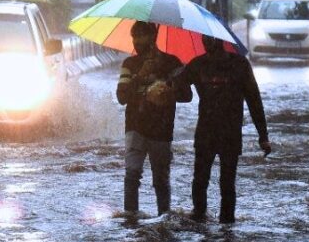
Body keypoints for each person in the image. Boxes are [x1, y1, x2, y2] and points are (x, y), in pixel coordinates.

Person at [176, 35, 272, 224]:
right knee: (200, 179)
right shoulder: (197, 64)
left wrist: (263, 136)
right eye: (205, 39)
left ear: (221, 40)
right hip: (205, 132)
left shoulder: (240, 64)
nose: (207, 42)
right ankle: (199, 217)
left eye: (211, 39)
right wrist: (175, 79)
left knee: (227, 183)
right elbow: (181, 91)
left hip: (230, 133)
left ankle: (227, 223)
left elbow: (254, 100)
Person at [116, 20, 192, 216]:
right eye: (134, 37)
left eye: (141, 36)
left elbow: (187, 95)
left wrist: (168, 91)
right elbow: (122, 97)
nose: (136, 41)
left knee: (161, 179)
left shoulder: (172, 63)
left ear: (152, 38)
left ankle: (164, 218)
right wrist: (140, 76)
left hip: (162, 129)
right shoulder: (130, 64)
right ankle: (130, 219)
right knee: (132, 175)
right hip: (135, 127)